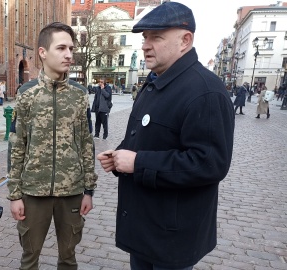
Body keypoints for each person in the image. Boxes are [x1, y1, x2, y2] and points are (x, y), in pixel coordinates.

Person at [96, 2, 235, 270]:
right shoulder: (154, 83)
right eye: (145, 38)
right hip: (145, 228)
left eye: (156, 37)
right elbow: (145, 140)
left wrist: (137, 163)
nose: (145, 45)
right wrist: (119, 155)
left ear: (185, 40)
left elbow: (209, 163)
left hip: (172, 237)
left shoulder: (205, 90)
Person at [7, 22, 97, 270]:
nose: (69, 54)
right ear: (43, 52)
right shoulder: (26, 93)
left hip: (72, 191)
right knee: (29, 258)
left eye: (71, 48)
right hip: (34, 191)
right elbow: (17, 146)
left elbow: (86, 142)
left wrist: (89, 189)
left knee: (68, 258)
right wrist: (15, 194)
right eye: (61, 48)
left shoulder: (79, 94)